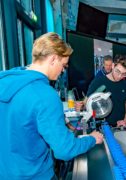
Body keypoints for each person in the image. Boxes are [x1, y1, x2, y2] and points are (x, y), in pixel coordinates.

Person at [0, 32, 104, 179]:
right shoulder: (45, 94)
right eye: (63, 65)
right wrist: (92, 139)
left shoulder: (6, 82)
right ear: (53, 59)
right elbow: (64, 150)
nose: (63, 71)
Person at [87, 55, 126, 127]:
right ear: (113, 66)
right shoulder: (98, 82)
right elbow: (87, 101)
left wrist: (125, 121)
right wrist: (81, 105)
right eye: (117, 71)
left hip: (119, 127)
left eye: (123, 74)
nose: (119, 76)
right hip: (101, 126)